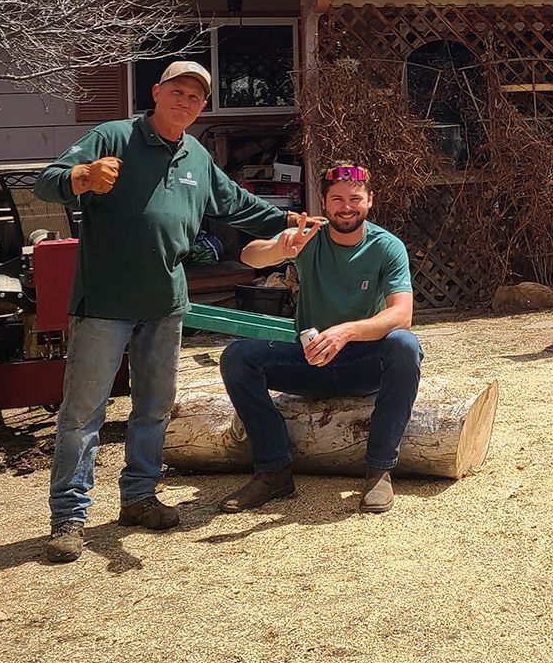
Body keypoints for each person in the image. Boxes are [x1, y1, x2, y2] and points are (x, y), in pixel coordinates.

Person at [35, 60, 308, 564]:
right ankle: (69, 518)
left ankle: (139, 497)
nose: (185, 102)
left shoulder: (196, 157)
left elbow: (236, 204)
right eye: (177, 92)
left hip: (164, 304)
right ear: (156, 92)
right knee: (82, 414)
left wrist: (286, 217)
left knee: (155, 407)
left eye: (196, 98)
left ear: (202, 107)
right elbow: (44, 182)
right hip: (104, 305)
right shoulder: (113, 137)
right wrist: (82, 176)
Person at [217, 160, 422, 515]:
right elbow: (249, 256)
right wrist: (281, 249)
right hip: (311, 362)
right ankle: (274, 470)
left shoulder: (386, 246)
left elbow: (401, 314)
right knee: (237, 357)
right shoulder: (308, 236)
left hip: (362, 364)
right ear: (324, 204)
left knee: (405, 345)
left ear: (370, 201)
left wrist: (347, 331)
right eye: (337, 199)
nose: (346, 207)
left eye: (355, 198)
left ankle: (379, 470)